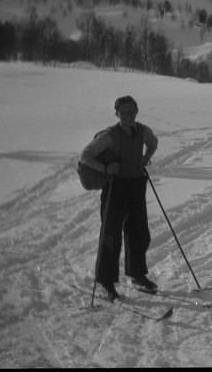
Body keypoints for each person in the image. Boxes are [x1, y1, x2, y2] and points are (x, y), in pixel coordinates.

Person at [80, 95, 159, 302]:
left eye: (131, 112)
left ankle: (137, 275)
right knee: (110, 235)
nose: (127, 116)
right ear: (117, 114)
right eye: (123, 112)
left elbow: (153, 143)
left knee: (139, 231)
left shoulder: (142, 131)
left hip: (136, 184)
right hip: (115, 187)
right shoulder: (109, 135)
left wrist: (145, 158)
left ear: (136, 111)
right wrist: (105, 168)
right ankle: (105, 282)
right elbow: (85, 156)